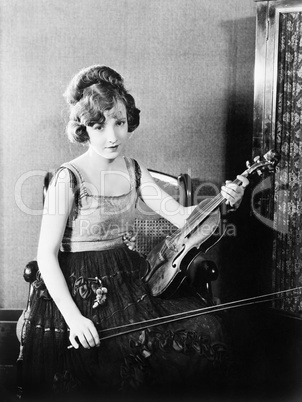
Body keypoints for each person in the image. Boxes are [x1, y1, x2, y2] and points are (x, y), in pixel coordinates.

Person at [20, 65, 248, 400]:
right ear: (83, 127)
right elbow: (46, 255)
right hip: (76, 286)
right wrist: (74, 318)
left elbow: (183, 216)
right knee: (110, 356)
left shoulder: (135, 170)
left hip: (127, 280)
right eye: (99, 126)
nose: (112, 136)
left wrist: (227, 200)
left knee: (204, 328)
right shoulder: (68, 178)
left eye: (120, 123)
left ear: (130, 121)